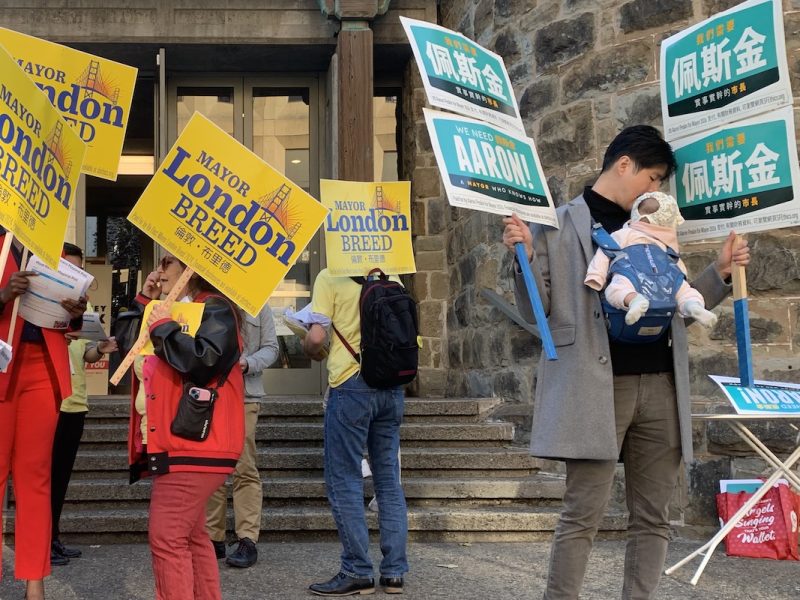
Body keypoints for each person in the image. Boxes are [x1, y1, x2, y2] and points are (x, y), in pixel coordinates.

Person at [502, 125, 750, 600]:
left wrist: (717, 273)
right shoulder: (557, 222)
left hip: (660, 383)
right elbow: (539, 311)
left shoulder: (656, 225)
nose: (656, 190)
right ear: (624, 164)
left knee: (653, 516)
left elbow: (675, 296)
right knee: (583, 512)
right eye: (653, 177)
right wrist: (526, 258)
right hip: (595, 386)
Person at [119, 254, 245, 600]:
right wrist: (144, 303)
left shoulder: (215, 308)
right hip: (183, 443)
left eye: (167, 265)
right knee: (190, 536)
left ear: (190, 270)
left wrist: (163, 327)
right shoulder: (180, 309)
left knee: (167, 537)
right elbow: (129, 349)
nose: (159, 272)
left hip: (196, 443)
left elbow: (204, 360)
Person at [303, 269, 408, 597]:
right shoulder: (391, 275)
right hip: (391, 387)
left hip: (351, 384)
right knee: (388, 481)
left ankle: (357, 570)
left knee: (345, 479)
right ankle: (394, 573)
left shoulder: (329, 277)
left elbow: (318, 339)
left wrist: (306, 341)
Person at [0, 231, 86, 600]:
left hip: (42, 366)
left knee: (36, 478)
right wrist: (2, 297)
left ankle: (35, 583)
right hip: (3, 363)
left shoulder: (50, 248)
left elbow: (68, 324)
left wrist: (75, 313)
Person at [50, 243, 118, 566]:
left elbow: (87, 354)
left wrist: (101, 350)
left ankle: (53, 537)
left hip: (76, 404)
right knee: (44, 478)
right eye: (70, 271)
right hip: (50, 404)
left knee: (61, 478)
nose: (77, 279)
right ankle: (43, 540)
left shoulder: (85, 314)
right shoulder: (45, 311)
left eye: (80, 272)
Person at [206, 302, 278, 568]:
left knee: (244, 466)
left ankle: (247, 539)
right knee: (211, 467)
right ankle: (213, 537)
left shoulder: (259, 305)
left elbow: (272, 348)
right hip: (209, 395)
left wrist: (248, 363)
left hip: (246, 394)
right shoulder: (208, 300)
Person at [584, 191, 718, 328]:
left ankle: (633, 300)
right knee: (685, 292)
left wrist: (595, 276)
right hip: (667, 277)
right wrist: (681, 277)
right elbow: (676, 265)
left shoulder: (622, 234)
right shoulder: (663, 243)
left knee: (616, 290)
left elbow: (605, 251)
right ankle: (693, 306)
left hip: (630, 274)